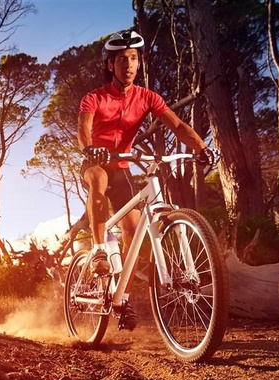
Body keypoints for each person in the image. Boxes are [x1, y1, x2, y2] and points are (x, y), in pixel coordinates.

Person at [77, 30, 217, 330]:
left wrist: (202, 148)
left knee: (132, 229)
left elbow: (177, 125)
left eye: (133, 59)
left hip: (124, 167)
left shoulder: (147, 97)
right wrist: (90, 149)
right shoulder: (94, 98)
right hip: (96, 164)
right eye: (121, 60)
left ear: (138, 64)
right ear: (110, 65)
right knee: (99, 181)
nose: (128, 65)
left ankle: (121, 296)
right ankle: (100, 249)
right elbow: (83, 128)